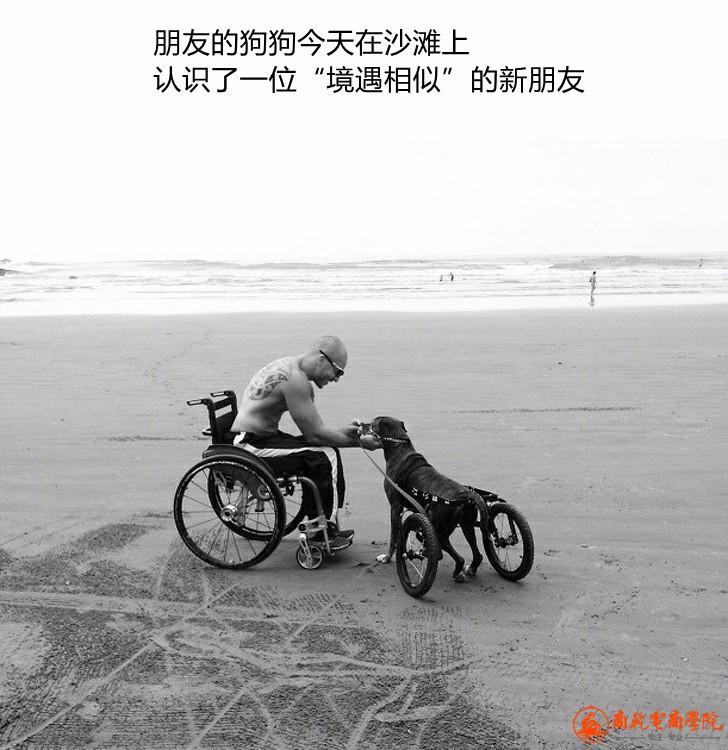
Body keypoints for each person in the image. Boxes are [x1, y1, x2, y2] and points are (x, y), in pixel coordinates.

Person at [230, 335, 379, 546]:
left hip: (260, 437)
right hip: (251, 446)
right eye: (338, 372)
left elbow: (316, 432)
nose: (337, 379)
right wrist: (360, 443)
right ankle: (321, 532)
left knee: (321, 452)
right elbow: (314, 435)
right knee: (325, 455)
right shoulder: (295, 380)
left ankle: (320, 522)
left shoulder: (292, 368)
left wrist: (348, 432)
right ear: (321, 359)